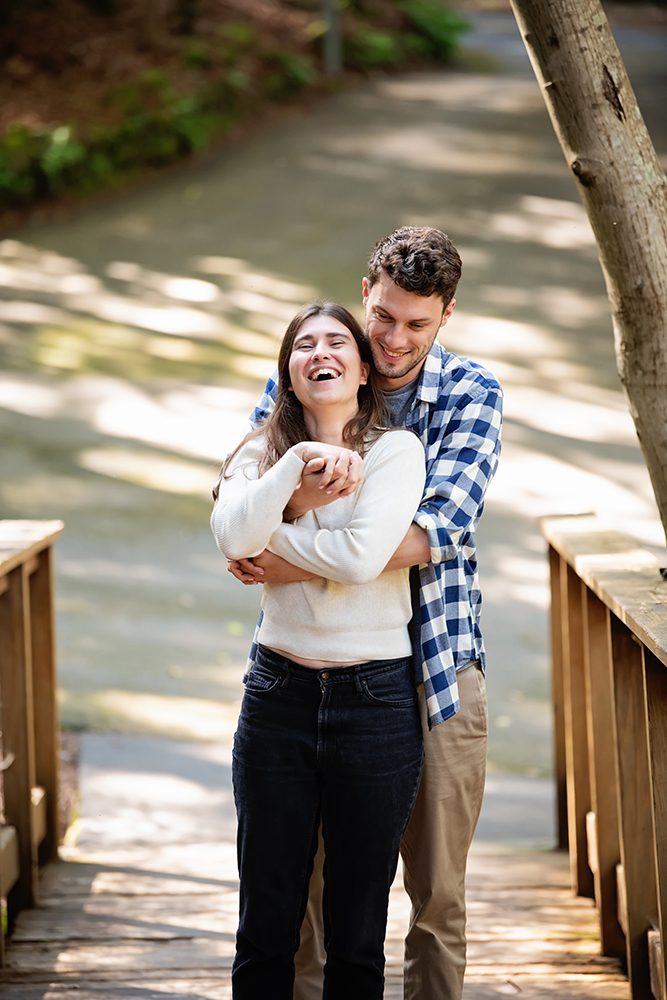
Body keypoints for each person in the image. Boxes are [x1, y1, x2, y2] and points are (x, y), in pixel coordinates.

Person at [228, 226, 504, 1000]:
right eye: (382, 316)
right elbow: (237, 491)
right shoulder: (317, 367)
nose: (392, 339)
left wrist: (281, 553)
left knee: (435, 894)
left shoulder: (471, 393)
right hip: (314, 671)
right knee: (307, 894)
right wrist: (259, 520)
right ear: (364, 294)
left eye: (417, 323)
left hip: (437, 664)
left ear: (446, 314)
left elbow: (433, 533)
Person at [211, 302, 426, 1000]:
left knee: (357, 931)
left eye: (337, 341)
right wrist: (295, 467)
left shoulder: (395, 451)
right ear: (288, 373)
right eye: (303, 345)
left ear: (363, 371)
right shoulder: (259, 452)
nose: (320, 352)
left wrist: (273, 543)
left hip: (375, 703)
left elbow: (362, 558)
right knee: (265, 921)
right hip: (278, 696)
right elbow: (231, 538)